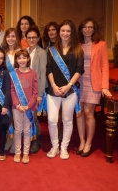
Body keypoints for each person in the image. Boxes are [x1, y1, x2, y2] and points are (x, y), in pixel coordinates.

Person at [46, 20, 84, 160]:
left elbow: (80, 70)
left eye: (68, 31)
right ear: (58, 32)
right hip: (54, 89)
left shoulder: (78, 50)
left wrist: (68, 85)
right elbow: (48, 68)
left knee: (67, 120)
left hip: (70, 89)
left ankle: (64, 148)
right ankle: (55, 146)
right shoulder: (52, 50)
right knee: (52, 120)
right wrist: (54, 85)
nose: (65, 33)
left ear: (72, 32)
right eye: (63, 30)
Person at [76, 18, 112, 157]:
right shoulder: (77, 44)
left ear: (94, 29)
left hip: (93, 83)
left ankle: (89, 143)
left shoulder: (101, 44)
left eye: (90, 27)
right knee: (79, 113)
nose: (87, 29)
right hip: (78, 83)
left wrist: (104, 86)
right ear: (81, 29)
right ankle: (82, 141)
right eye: (84, 27)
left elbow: (104, 65)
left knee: (88, 113)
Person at [10, 49, 38, 163]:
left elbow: (35, 92)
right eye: (19, 58)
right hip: (17, 107)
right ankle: (17, 152)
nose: (22, 60)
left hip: (29, 108)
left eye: (24, 58)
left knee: (27, 130)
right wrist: (17, 105)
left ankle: (25, 153)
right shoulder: (13, 74)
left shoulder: (33, 73)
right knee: (18, 130)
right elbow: (12, 90)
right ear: (16, 60)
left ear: (28, 59)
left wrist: (29, 105)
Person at [26, 26, 47, 154]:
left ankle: (36, 141)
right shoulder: (24, 51)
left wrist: (40, 94)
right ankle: (28, 139)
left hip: (35, 92)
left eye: (34, 37)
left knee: (33, 117)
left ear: (38, 38)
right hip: (24, 90)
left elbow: (42, 74)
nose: (32, 39)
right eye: (29, 37)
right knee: (25, 117)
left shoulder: (42, 53)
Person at [1, 27, 21, 153]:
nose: (10, 39)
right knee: (7, 116)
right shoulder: (2, 52)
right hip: (4, 87)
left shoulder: (21, 52)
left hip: (17, 87)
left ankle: (16, 142)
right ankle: (9, 138)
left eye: (13, 36)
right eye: (8, 36)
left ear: (17, 38)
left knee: (15, 115)